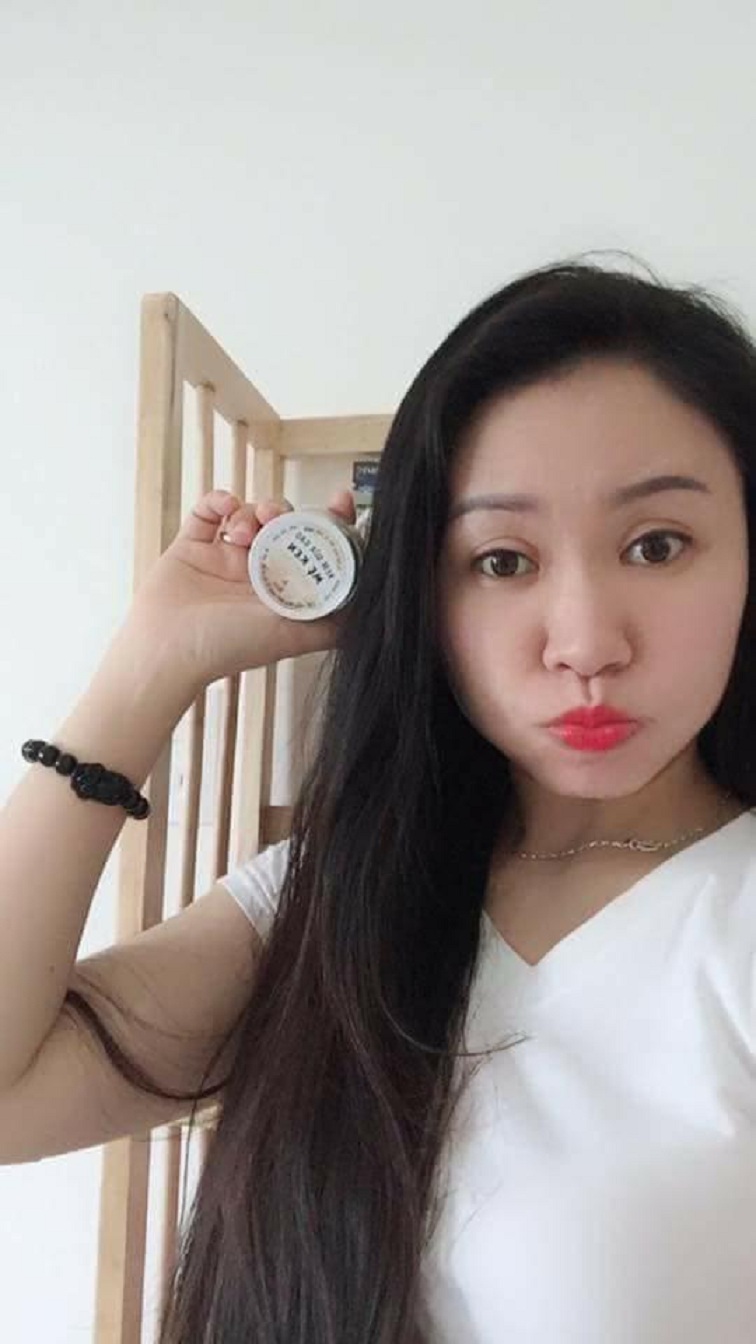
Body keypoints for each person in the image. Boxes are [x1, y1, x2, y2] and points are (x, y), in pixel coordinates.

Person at [1, 253, 755, 1344]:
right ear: (421, 592)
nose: (586, 642)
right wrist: (145, 671)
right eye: (502, 561)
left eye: (656, 545)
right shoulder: (334, 900)